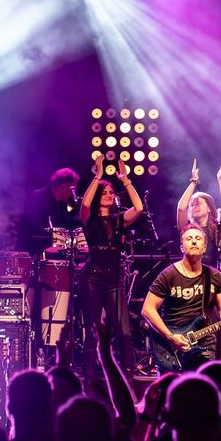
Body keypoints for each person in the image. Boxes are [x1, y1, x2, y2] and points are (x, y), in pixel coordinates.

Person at [141, 225, 221, 371]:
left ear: (204, 247)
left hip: (204, 345)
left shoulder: (214, 276)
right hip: (171, 346)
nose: (194, 241)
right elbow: (147, 309)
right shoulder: (168, 275)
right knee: (172, 386)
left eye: (198, 238)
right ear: (182, 247)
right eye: (189, 239)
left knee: (203, 384)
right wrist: (171, 336)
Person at [79, 156, 143, 374]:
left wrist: (125, 180)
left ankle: (128, 377)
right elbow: (85, 204)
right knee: (92, 331)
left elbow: (139, 207)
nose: (109, 195)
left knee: (124, 332)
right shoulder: (89, 219)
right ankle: (88, 378)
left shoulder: (119, 219)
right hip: (92, 278)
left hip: (115, 280)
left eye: (111, 192)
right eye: (105, 192)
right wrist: (98, 176)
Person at [175, 158, 221, 267]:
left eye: (198, 203)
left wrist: (220, 179)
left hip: (210, 274)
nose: (194, 207)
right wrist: (194, 181)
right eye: (192, 205)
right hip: (188, 274)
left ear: (209, 208)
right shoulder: (186, 227)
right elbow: (181, 209)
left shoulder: (217, 229)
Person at [20, 168, 81, 252]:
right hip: (33, 251)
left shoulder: (61, 205)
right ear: (63, 186)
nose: (73, 193)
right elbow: (32, 227)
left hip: (51, 252)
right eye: (72, 189)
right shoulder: (38, 198)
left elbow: (65, 227)